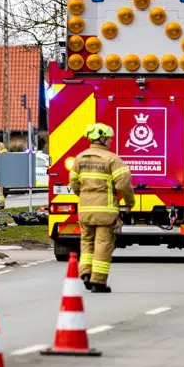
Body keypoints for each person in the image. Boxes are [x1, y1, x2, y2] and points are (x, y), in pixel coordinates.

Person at [70, 123, 134, 293]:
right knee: (103, 243)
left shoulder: (79, 159)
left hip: (85, 210)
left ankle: (85, 273)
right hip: (105, 212)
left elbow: (74, 184)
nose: (111, 141)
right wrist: (129, 203)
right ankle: (98, 282)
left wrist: (85, 197)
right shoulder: (112, 159)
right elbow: (124, 185)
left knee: (86, 242)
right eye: (109, 138)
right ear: (103, 139)